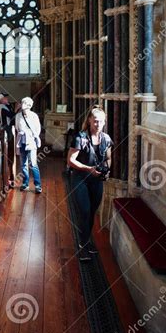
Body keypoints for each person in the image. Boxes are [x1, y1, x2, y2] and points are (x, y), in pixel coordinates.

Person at [67, 105, 112, 262]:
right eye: (95, 121)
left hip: (96, 180)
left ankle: (85, 242)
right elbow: (71, 160)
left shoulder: (106, 139)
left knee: (92, 212)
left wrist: (107, 170)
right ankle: (83, 247)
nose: (98, 125)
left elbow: (108, 158)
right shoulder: (80, 138)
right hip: (80, 177)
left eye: (101, 122)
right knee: (84, 211)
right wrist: (89, 169)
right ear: (89, 121)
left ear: (104, 122)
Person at [15, 97, 42, 192]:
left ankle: (38, 185)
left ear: (29, 105)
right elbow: (18, 128)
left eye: (25, 103)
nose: (22, 104)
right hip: (22, 141)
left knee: (33, 163)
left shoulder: (34, 116)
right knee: (23, 164)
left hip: (31, 142)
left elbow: (38, 129)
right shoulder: (18, 116)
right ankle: (25, 183)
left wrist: (31, 136)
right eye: (22, 102)